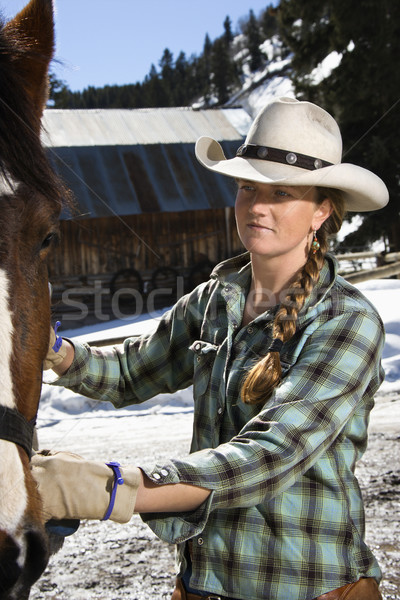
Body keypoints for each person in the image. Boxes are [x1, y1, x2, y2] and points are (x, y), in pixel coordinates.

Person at [33, 97, 389, 600]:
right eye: (248, 188)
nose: (257, 206)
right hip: (203, 584)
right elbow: (133, 372)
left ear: (322, 210)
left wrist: (114, 488)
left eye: (281, 193)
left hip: (310, 587)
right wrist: (50, 350)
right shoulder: (213, 301)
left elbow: (267, 456)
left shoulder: (347, 322)